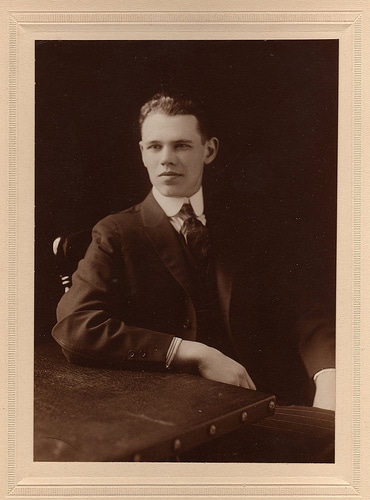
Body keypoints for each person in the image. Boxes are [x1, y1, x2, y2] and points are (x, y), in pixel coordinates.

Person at [52, 93, 335, 462]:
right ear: (142, 152)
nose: (166, 158)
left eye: (182, 145)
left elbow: (304, 310)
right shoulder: (117, 232)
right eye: (155, 146)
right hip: (176, 419)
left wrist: (329, 374)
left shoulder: (243, 222)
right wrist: (190, 352)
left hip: (264, 400)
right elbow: (76, 325)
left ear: (210, 150)